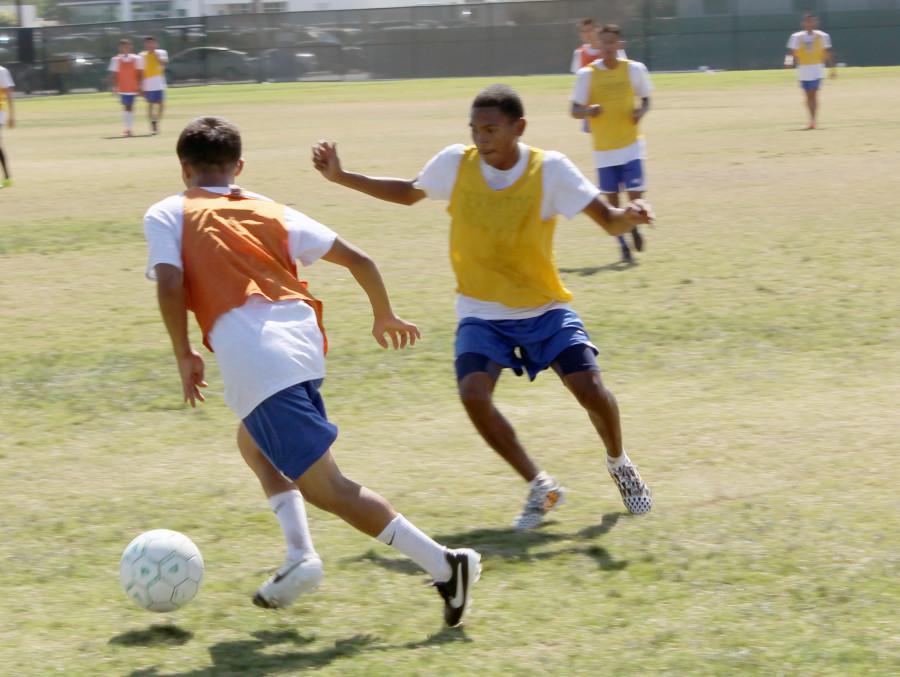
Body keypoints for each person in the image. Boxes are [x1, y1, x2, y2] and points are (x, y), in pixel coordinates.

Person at [143, 116, 481, 626]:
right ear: (238, 167)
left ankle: (445, 563)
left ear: (183, 168)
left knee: (330, 489)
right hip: (302, 342)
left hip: (255, 353)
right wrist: (382, 313)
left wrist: (183, 352)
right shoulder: (269, 208)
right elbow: (360, 259)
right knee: (252, 443)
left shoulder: (169, 211)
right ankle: (300, 556)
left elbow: (170, 284)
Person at [312, 84, 654, 531]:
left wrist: (629, 217)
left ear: (519, 128)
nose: (482, 138)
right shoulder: (456, 163)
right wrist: (342, 176)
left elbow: (608, 219)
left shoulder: (549, 169)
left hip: (544, 308)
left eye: (491, 129)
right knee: (474, 394)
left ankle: (619, 461)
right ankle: (540, 485)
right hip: (481, 312)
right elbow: (408, 192)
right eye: (475, 129)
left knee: (591, 390)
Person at [571, 24, 652, 265]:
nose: (606, 47)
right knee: (613, 206)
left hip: (631, 146)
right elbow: (574, 110)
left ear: (619, 45)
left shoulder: (634, 70)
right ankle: (623, 246)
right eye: (602, 42)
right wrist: (588, 110)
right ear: (598, 45)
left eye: (611, 42)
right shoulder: (587, 75)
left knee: (636, 198)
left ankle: (635, 229)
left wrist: (641, 111)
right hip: (604, 151)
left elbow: (646, 99)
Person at [784, 12, 836, 130]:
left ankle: (813, 121)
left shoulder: (823, 36)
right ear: (803, 23)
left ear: (815, 22)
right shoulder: (796, 37)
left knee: (813, 94)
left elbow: (827, 53)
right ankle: (811, 119)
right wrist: (788, 61)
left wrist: (833, 69)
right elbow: (791, 53)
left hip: (817, 68)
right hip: (803, 69)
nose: (810, 24)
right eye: (807, 21)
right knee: (807, 96)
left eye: (812, 21)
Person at [108, 39, 143, 137]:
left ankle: (129, 129)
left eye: (127, 46)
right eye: (123, 46)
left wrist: (140, 86)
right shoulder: (115, 59)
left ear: (131, 46)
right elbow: (114, 75)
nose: (125, 48)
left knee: (130, 106)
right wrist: (114, 86)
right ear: (119, 48)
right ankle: (128, 129)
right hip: (122, 87)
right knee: (127, 107)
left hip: (133, 87)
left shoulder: (137, 58)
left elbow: (140, 73)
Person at [139, 36, 168, 135]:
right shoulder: (142, 55)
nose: (150, 45)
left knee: (161, 104)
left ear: (156, 44)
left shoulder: (161, 52)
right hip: (148, 83)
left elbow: (164, 63)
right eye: (148, 43)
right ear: (145, 45)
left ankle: (156, 121)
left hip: (159, 82)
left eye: (152, 43)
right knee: (150, 104)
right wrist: (141, 86)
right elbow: (140, 71)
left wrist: (157, 56)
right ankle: (152, 124)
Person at [0, 62, 14, 188]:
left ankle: (7, 177)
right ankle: (7, 177)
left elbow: (8, 94)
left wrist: (12, 115)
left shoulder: (2, 71)